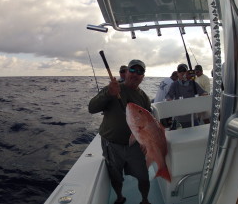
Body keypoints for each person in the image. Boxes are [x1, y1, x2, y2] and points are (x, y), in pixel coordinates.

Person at [89, 59, 151, 204]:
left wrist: (146, 142)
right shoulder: (113, 88)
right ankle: (119, 197)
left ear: (143, 76)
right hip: (112, 144)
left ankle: (145, 200)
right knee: (115, 176)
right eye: (132, 70)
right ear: (126, 72)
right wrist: (108, 94)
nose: (135, 74)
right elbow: (91, 108)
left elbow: (148, 123)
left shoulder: (144, 97)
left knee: (143, 176)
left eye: (140, 71)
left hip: (135, 146)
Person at [165, 63, 208, 128]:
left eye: (184, 71)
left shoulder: (193, 83)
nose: (182, 73)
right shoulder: (174, 84)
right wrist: (169, 100)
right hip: (179, 119)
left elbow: (204, 93)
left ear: (187, 72)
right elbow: (168, 96)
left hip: (193, 118)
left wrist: (203, 97)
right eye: (180, 71)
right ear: (177, 73)